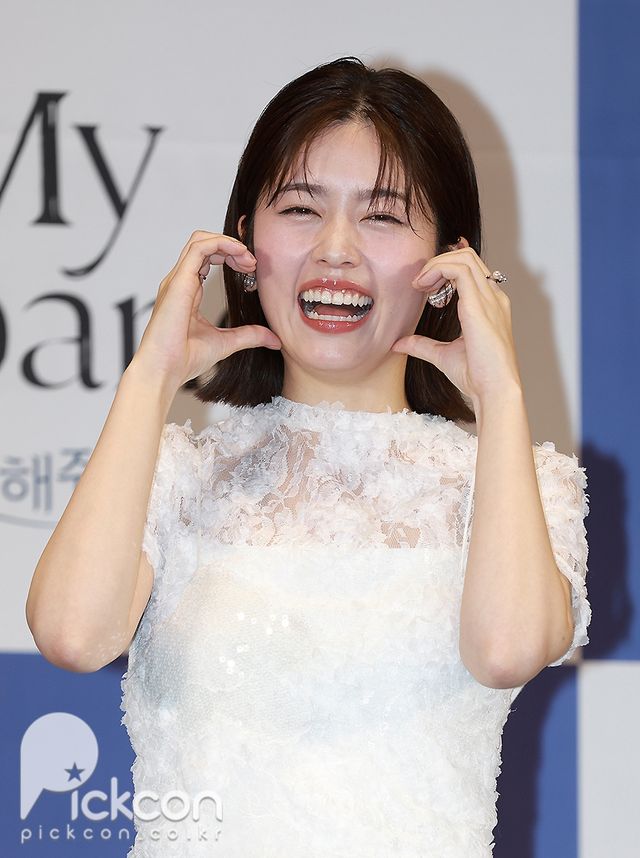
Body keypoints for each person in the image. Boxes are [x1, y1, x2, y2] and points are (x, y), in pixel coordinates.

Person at [25, 56, 591, 856]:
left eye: (383, 216)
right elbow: (74, 637)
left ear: (448, 267)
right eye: (300, 208)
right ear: (243, 242)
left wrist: (502, 397)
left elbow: (505, 652)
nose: (336, 249)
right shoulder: (177, 474)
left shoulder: (525, 486)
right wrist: (149, 377)